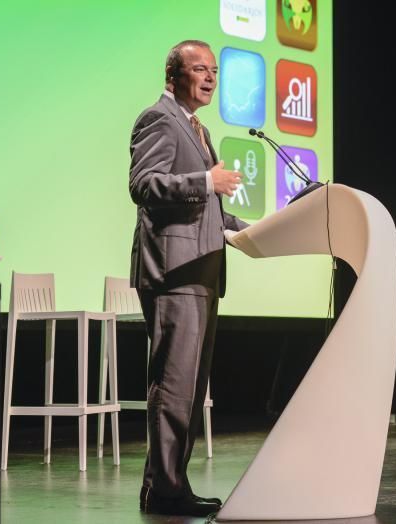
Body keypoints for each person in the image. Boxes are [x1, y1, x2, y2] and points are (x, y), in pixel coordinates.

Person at [128, 40, 248, 517]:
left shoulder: (198, 128)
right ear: (172, 74)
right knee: (175, 387)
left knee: (191, 389)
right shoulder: (159, 118)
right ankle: (164, 491)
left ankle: (169, 486)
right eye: (200, 69)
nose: (211, 77)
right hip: (174, 272)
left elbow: (208, 210)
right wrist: (205, 182)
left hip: (201, 270)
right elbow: (143, 184)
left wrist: (249, 230)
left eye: (214, 70)